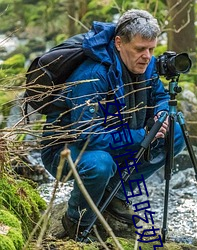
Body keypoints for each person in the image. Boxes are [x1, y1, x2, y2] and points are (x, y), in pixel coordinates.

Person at [41, 9, 185, 241]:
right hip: (67, 150)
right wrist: (142, 135)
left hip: (118, 135)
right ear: (119, 43)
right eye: (140, 49)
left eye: (151, 49)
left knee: (175, 132)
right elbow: (87, 136)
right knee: (100, 164)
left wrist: (161, 114)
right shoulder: (92, 75)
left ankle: (114, 192)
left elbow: (159, 96)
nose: (147, 56)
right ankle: (76, 222)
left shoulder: (145, 64)